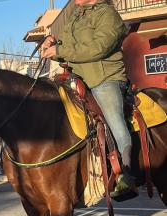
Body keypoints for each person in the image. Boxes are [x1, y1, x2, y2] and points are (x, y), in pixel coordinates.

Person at [41, 0, 137, 202]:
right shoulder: (75, 15)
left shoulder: (107, 14)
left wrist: (60, 51)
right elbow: (66, 44)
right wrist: (53, 41)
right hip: (78, 79)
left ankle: (127, 173)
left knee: (113, 118)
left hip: (104, 78)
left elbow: (98, 48)